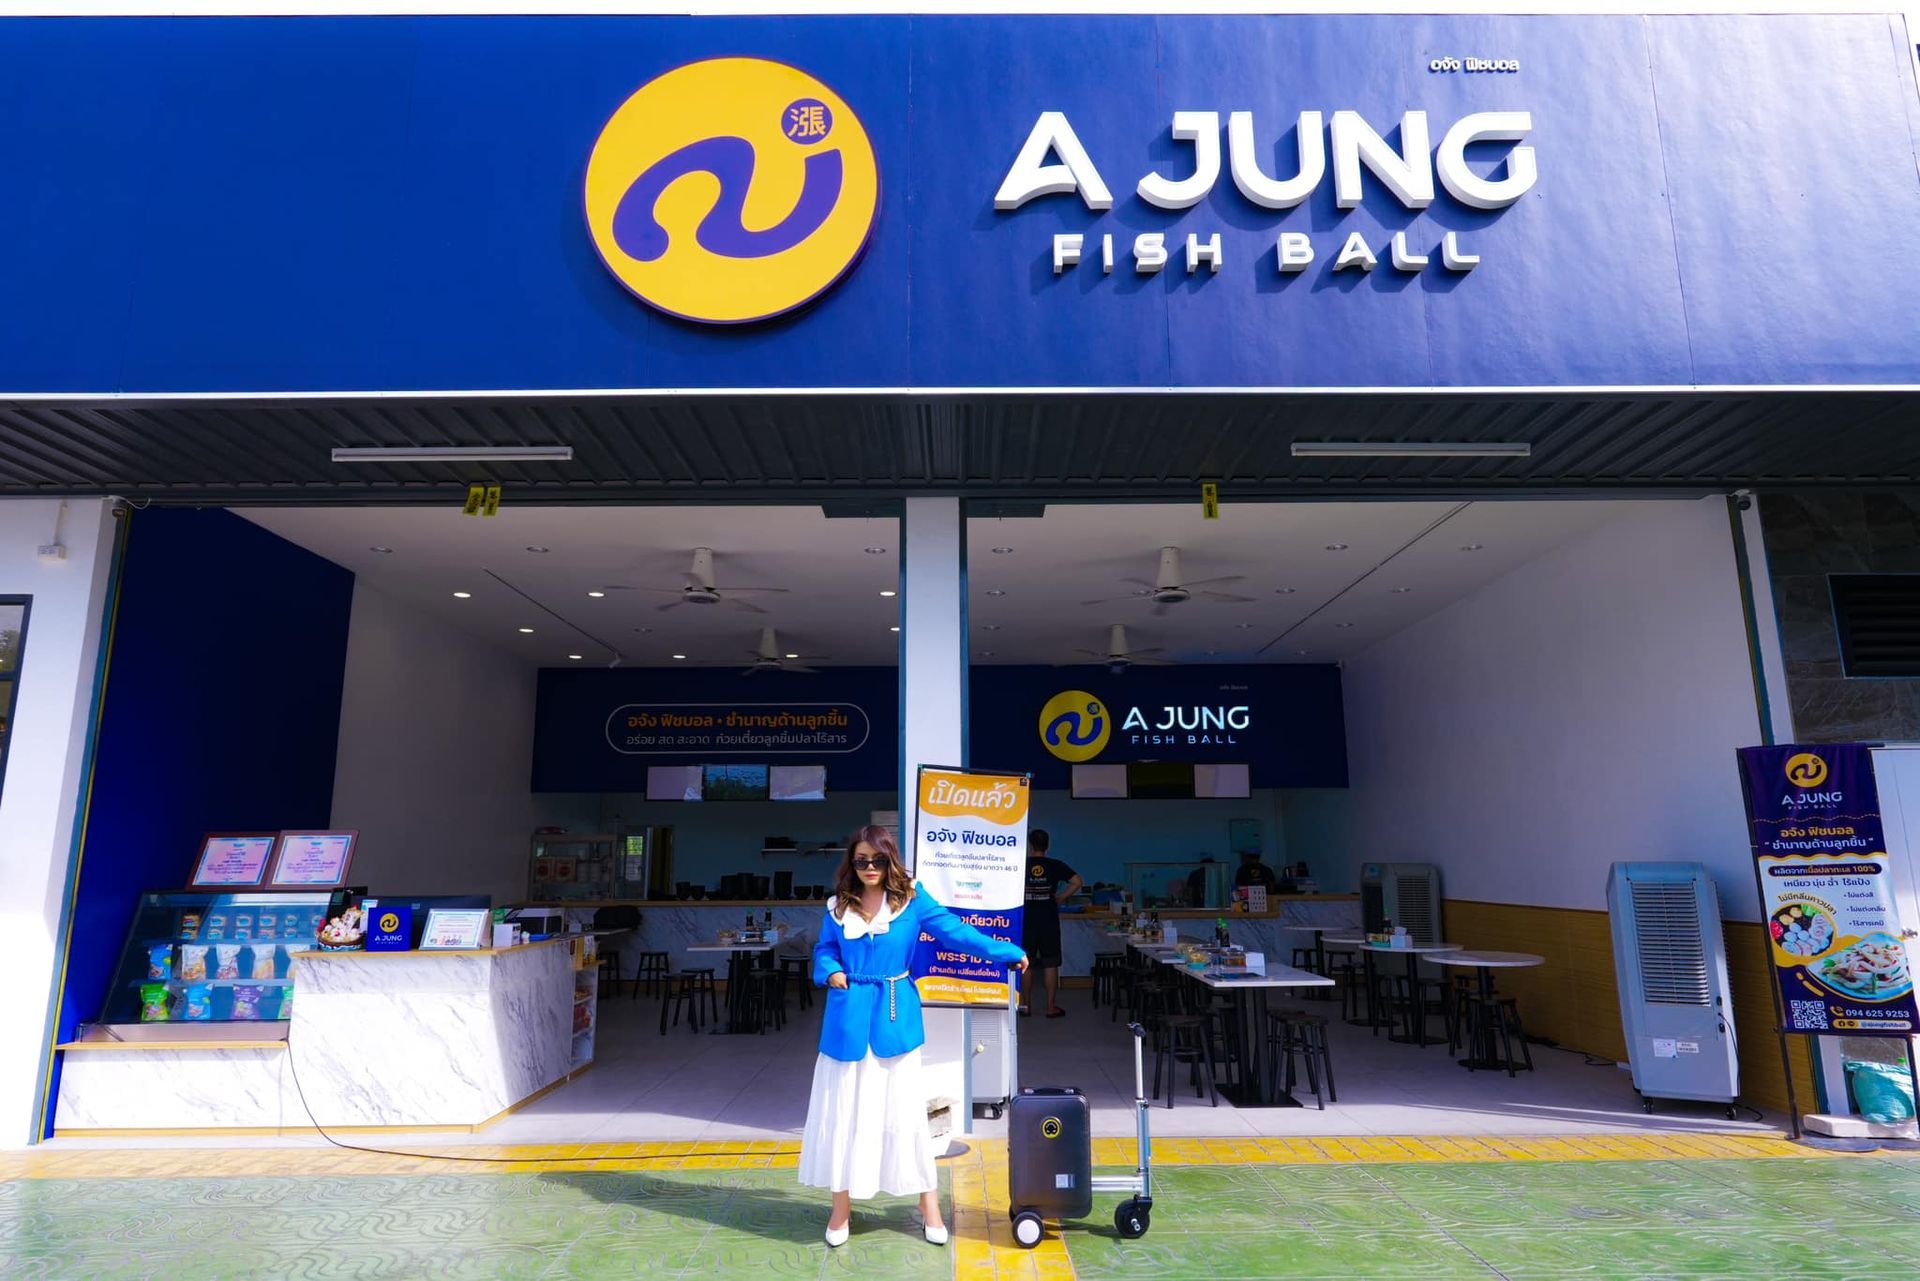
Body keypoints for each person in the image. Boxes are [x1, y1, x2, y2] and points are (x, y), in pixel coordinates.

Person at [801, 825, 1028, 1249]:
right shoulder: (836, 906)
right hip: (847, 1022)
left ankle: (930, 1205)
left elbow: (957, 933)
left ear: (891, 860)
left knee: (906, 1117)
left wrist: (1008, 953)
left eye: (878, 860)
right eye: (861, 860)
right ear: (851, 863)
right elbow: (824, 949)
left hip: (894, 1019)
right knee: (844, 1115)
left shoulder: (912, 900)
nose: (869, 868)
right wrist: (830, 970)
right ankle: (841, 1207)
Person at [1019, 829, 1081, 1018]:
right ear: (1047, 846)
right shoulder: (1055, 865)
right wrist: (1062, 896)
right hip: (1048, 920)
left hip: (1026, 919)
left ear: (1030, 845)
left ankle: (1026, 1006)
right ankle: (1051, 1007)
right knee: (1050, 963)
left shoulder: (1021, 865)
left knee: (1025, 963)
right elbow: (1077, 881)